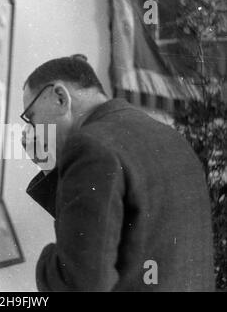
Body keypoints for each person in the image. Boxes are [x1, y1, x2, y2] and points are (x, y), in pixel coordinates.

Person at [22, 54, 215, 291]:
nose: (33, 130)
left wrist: (46, 261)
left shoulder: (90, 145)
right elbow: (117, 223)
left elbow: (79, 283)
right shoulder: (170, 137)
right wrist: (50, 166)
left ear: (60, 97)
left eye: (31, 118)